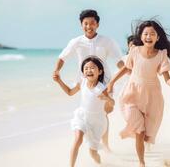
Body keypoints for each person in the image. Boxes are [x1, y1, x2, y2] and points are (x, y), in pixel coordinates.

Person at [53, 9, 124, 150]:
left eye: (92, 23)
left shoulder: (107, 41)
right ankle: (90, 139)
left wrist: (122, 75)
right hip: (84, 81)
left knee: (104, 113)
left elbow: (119, 61)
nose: (89, 26)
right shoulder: (76, 42)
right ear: (81, 25)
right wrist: (57, 70)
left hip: (105, 82)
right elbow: (62, 57)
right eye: (85, 23)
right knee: (88, 110)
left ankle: (104, 144)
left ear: (97, 24)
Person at [107, 20, 170, 167]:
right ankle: (141, 162)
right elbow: (126, 69)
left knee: (146, 134)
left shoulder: (161, 55)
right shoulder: (135, 51)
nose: (148, 36)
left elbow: (167, 79)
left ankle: (143, 152)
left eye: (152, 34)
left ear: (157, 37)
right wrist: (111, 82)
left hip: (153, 96)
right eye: (145, 34)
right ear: (141, 36)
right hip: (132, 94)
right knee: (139, 130)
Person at [53, 56, 115, 166]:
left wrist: (107, 99)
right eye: (86, 68)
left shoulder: (101, 88)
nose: (88, 70)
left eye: (92, 68)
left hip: (97, 122)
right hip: (82, 116)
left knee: (93, 153)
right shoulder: (82, 82)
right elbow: (70, 92)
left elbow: (112, 103)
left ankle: (100, 164)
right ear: (83, 72)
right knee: (78, 139)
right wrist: (59, 81)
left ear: (100, 71)